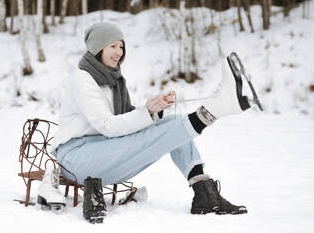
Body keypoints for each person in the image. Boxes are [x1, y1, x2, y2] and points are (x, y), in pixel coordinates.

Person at [45, 22, 252, 222]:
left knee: (173, 123)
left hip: (104, 151)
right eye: (113, 46)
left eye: (121, 46)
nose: (119, 52)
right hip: (75, 159)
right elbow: (108, 126)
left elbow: (124, 118)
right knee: (169, 131)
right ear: (98, 47)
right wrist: (147, 112)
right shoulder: (82, 79)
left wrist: (155, 111)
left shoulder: (114, 80)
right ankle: (213, 110)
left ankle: (204, 194)